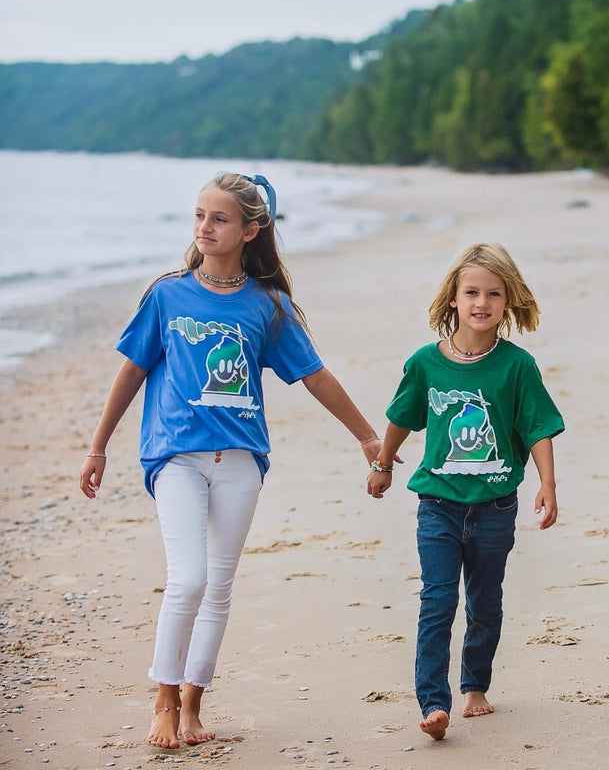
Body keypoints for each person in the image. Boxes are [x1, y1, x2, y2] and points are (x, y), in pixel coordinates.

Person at [79, 172, 384, 750]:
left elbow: (314, 375)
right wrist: (98, 447)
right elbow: (132, 371)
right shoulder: (167, 295)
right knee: (188, 577)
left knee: (218, 587)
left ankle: (193, 705)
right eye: (199, 216)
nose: (204, 228)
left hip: (240, 460)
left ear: (250, 229)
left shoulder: (268, 306)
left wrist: (367, 436)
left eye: (218, 219)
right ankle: (163, 701)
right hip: (176, 457)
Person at [366, 243, 564, 741]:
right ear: (452, 299)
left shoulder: (517, 366)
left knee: (485, 600)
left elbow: (537, 426)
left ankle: (475, 684)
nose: (482, 302)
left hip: (496, 505)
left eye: (494, 293)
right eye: (471, 292)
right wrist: (383, 463)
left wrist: (548, 483)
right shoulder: (426, 363)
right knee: (437, 599)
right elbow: (401, 418)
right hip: (438, 504)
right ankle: (434, 702)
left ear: (508, 301)